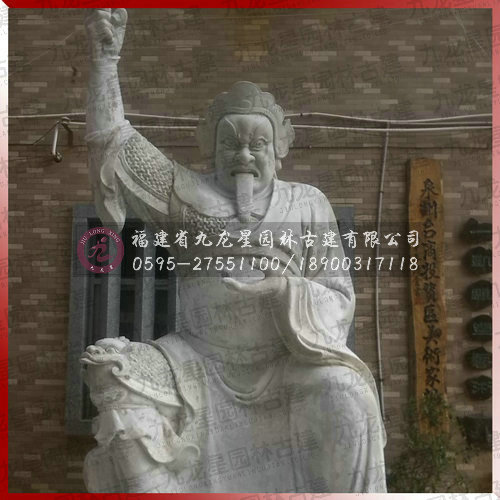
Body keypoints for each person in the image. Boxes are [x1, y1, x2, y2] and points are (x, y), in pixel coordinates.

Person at [81, 8, 387, 493]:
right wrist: (105, 62)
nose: (243, 155)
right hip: (195, 361)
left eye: (257, 144)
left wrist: (283, 290)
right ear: (212, 148)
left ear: (277, 151)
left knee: (348, 393)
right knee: (111, 376)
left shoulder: (307, 203)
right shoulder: (183, 193)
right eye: (231, 144)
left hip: (287, 366)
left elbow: (339, 297)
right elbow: (114, 142)